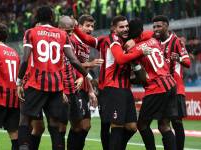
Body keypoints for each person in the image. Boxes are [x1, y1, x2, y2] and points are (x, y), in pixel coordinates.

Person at [16, 6, 91, 150]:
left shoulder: (31, 32)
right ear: (52, 17)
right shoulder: (62, 35)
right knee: (56, 125)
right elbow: (74, 60)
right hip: (56, 87)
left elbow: (25, 60)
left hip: (36, 84)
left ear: (37, 18)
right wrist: (87, 75)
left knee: (25, 119)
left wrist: (19, 82)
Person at [73, 15, 152, 150]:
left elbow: (150, 33)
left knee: (132, 127)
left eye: (127, 26)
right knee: (114, 126)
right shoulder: (113, 39)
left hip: (125, 89)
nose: (125, 29)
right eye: (121, 27)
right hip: (112, 88)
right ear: (113, 29)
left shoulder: (124, 41)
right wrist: (75, 28)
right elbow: (120, 59)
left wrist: (135, 40)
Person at [128, 18, 178, 150]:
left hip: (156, 88)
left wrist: (130, 80)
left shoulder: (133, 49)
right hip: (171, 84)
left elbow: (142, 78)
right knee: (164, 125)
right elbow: (149, 34)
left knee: (142, 125)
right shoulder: (153, 40)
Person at [152, 15, 191, 150]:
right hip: (162, 89)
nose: (156, 29)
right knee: (162, 124)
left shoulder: (176, 41)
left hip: (176, 88)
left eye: (159, 26)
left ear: (166, 26)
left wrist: (179, 58)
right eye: (154, 26)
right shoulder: (155, 42)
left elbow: (188, 62)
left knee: (176, 122)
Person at [66, 14, 98, 150]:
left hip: (83, 85)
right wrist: (89, 64)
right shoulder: (71, 40)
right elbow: (70, 62)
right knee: (77, 126)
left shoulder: (86, 45)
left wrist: (91, 90)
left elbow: (83, 68)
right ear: (79, 26)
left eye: (92, 26)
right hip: (73, 86)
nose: (90, 29)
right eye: (87, 26)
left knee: (86, 125)